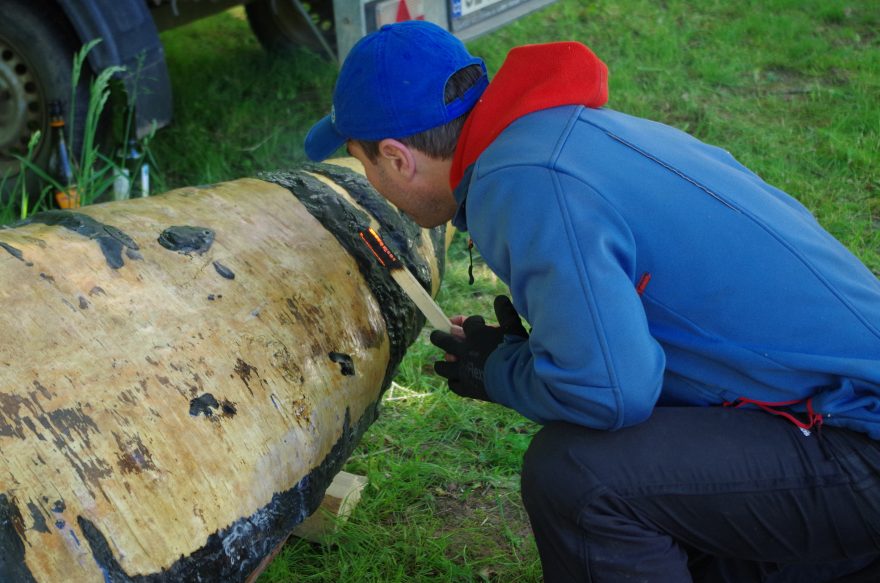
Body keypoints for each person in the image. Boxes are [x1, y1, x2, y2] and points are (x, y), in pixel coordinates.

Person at [304, 20, 880, 582]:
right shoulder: (559, 131)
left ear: (397, 157)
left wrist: (497, 370)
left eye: (364, 164)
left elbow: (608, 393)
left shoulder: (526, 182)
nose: (373, 186)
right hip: (838, 405)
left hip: (857, 440)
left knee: (577, 479)